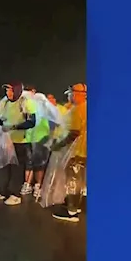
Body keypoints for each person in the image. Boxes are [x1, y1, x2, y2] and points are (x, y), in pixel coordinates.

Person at [0, 83, 37, 205]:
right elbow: (0, 118)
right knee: (3, 165)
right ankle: (2, 191)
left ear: (16, 91)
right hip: (5, 140)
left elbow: (31, 122)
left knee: (17, 167)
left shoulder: (25, 102)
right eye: (6, 90)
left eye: (10, 90)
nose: (7, 93)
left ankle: (15, 194)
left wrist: (13, 127)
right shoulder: (4, 102)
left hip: (20, 141)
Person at [50, 83, 87, 222]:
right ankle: (75, 206)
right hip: (85, 151)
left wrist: (58, 145)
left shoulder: (78, 110)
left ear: (77, 94)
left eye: (70, 94)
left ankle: (72, 212)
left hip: (77, 151)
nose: (69, 96)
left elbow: (74, 133)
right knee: (79, 180)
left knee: (73, 180)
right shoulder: (88, 107)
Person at [21, 85, 52, 198]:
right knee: (29, 162)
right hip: (28, 137)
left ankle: (38, 186)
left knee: (39, 163)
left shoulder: (41, 102)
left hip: (40, 137)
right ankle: (28, 184)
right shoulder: (25, 104)